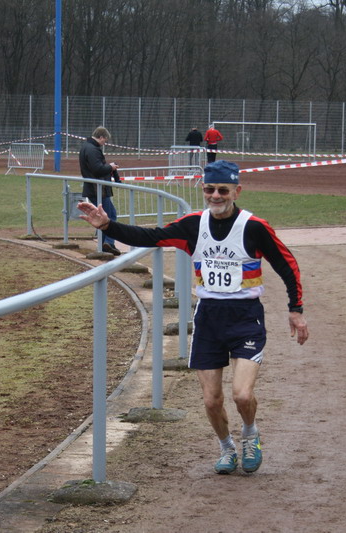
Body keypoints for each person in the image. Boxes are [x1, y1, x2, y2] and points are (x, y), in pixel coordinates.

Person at [78, 160, 309, 475]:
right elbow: (151, 236)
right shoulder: (192, 225)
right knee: (212, 400)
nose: (216, 196)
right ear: (203, 190)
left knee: (242, 395)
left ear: (237, 191)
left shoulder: (254, 227)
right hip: (209, 319)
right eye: (210, 189)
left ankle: (250, 434)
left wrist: (296, 309)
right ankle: (226, 448)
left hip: (246, 318)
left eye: (223, 190)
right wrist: (108, 226)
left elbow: (287, 264)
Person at [79, 126, 123, 256]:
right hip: (98, 189)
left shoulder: (86, 147)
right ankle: (108, 243)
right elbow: (97, 169)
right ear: (101, 137)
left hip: (95, 188)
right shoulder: (93, 149)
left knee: (107, 215)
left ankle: (105, 244)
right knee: (110, 216)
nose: (105, 143)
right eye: (105, 140)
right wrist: (110, 167)